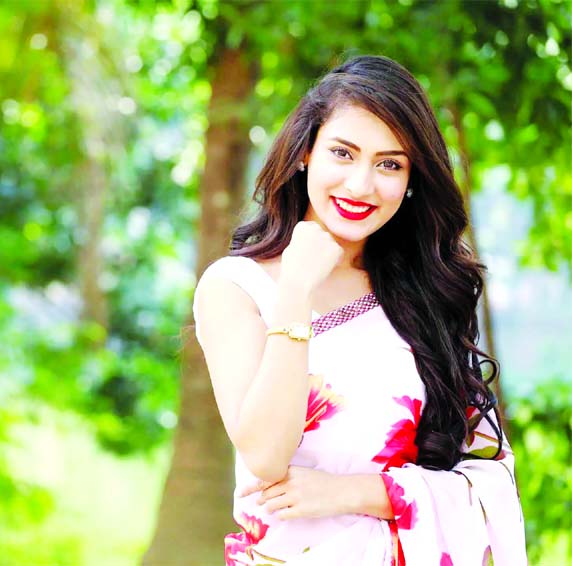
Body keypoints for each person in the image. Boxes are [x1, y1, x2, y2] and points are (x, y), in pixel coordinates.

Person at [192, 55, 527, 565]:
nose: (360, 185)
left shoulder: (426, 294)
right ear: (305, 153)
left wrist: (355, 492)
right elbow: (265, 456)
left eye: (389, 164)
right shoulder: (237, 287)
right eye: (343, 153)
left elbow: (491, 478)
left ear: (411, 179)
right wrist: (296, 288)